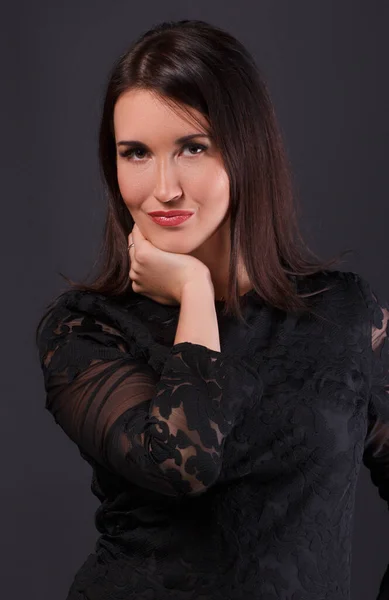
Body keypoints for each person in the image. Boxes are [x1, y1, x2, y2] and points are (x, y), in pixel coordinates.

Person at [35, 19, 389, 600]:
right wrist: (195, 291)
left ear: (247, 149)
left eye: (193, 148)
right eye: (136, 154)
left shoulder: (344, 312)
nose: (164, 187)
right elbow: (184, 464)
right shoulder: (86, 330)